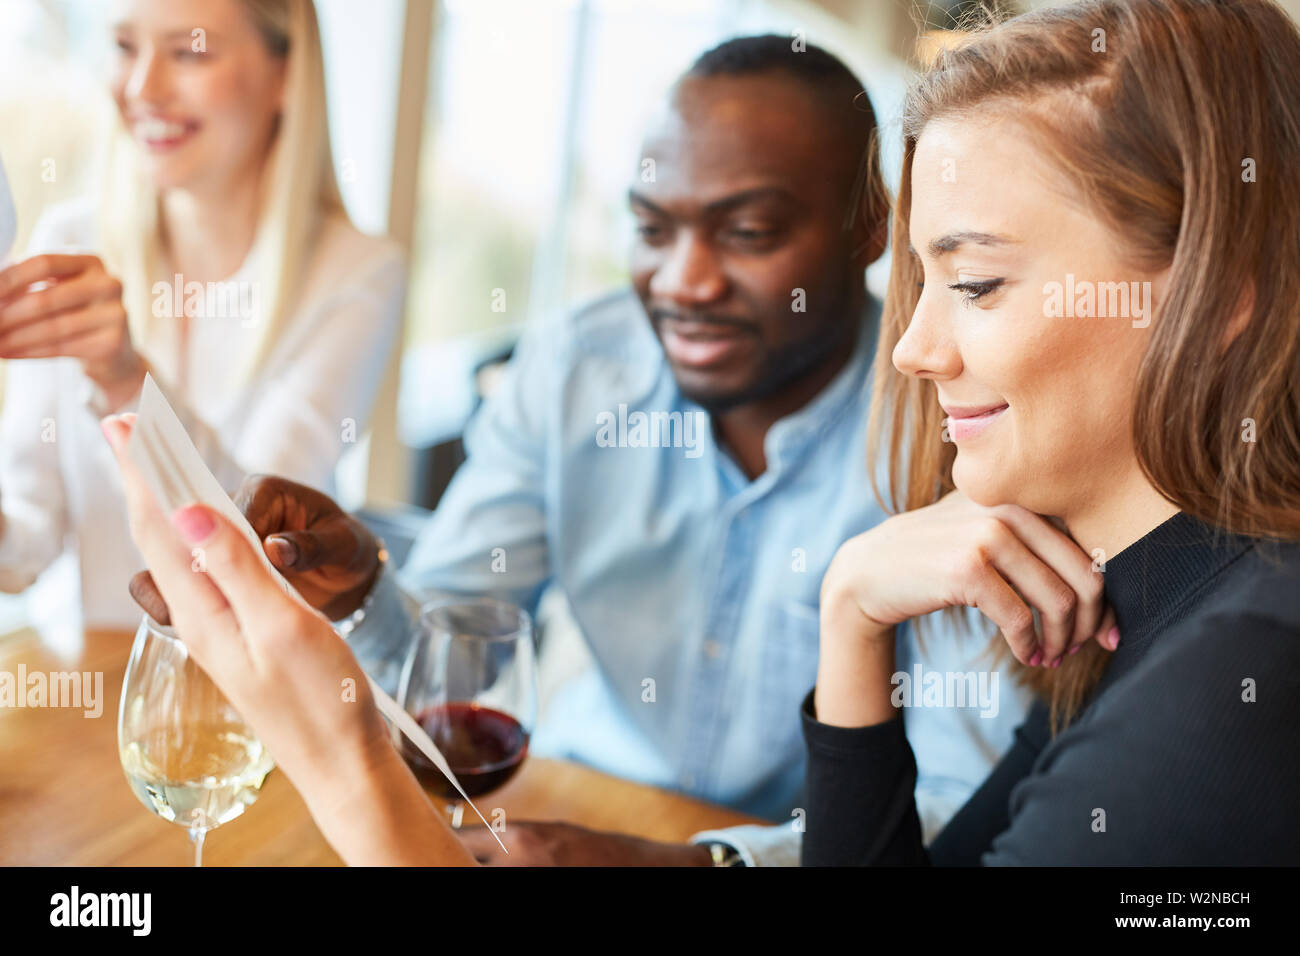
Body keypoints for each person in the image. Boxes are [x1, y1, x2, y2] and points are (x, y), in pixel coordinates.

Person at [126, 36, 1037, 866]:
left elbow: (963, 803)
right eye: (652, 229)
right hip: (557, 808)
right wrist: (364, 591)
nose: (684, 281)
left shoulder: (956, 422)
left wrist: (696, 864)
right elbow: (452, 659)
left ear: (869, 227)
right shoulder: (574, 368)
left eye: (749, 233)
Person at [802, 0, 1300, 866]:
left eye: (978, 282)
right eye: (923, 281)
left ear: (1219, 290)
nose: (915, 350)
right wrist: (851, 611)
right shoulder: (1150, 603)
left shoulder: (1230, 691)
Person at [0, 0, 403, 630]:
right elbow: (22, 550)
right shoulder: (70, 243)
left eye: (190, 52)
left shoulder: (357, 275)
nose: (141, 89)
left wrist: (124, 382)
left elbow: (264, 542)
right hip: (101, 696)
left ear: (285, 75)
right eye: (126, 47)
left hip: (252, 706)